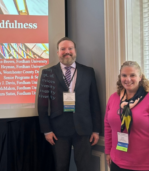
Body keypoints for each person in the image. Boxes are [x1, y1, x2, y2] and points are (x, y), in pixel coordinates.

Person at [37, 37, 102, 171]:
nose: (67, 52)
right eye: (63, 49)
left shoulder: (88, 72)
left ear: (75, 51)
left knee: (85, 167)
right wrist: (47, 130)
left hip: (84, 129)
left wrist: (96, 129)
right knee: (61, 167)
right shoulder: (48, 73)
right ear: (57, 52)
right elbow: (42, 104)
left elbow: (94, 102)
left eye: (70, 48)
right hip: (58, 130)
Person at [104, 61, 149, 171]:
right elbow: (107, 126)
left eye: (132, 75)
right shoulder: (114, 98)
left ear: (140, 77)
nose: (128, 79)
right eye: (124, 75)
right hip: (117, 161)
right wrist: (108, 151)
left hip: (145, 165)